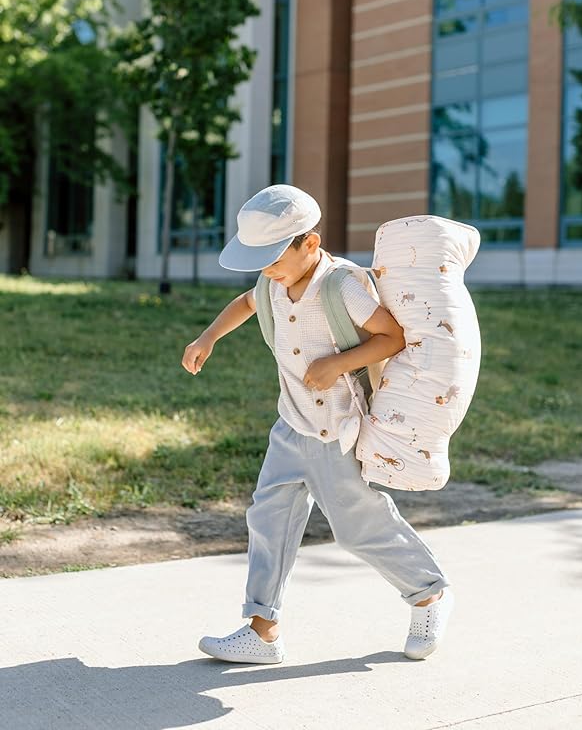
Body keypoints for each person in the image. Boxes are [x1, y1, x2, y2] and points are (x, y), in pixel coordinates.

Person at [181, 184, 453, 664]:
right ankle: (262, 632)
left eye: (273, 257)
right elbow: (246, 303)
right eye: (259, 260)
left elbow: (390, 337)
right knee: (268, 519)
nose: (266, 269)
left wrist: (338, 364)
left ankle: (429, 594)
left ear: (310, 242)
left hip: (340, 432)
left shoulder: (342, 285)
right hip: (291, 426)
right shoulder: (272, 282)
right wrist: (208, 338)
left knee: (357, 528)